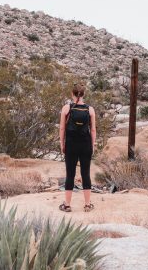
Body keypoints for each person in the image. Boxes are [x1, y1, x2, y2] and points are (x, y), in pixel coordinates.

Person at [59, 83, 96, 212]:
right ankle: (87, 204)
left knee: (70, 174)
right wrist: (92, 145)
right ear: (83, 94)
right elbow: (93, 130)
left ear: (72, 94)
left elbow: (62, 128)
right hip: (85, 145)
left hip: (71, 144)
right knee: (85, 174)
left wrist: (62, 143)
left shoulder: (66, 108)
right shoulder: (90, 109)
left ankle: (67, 205)